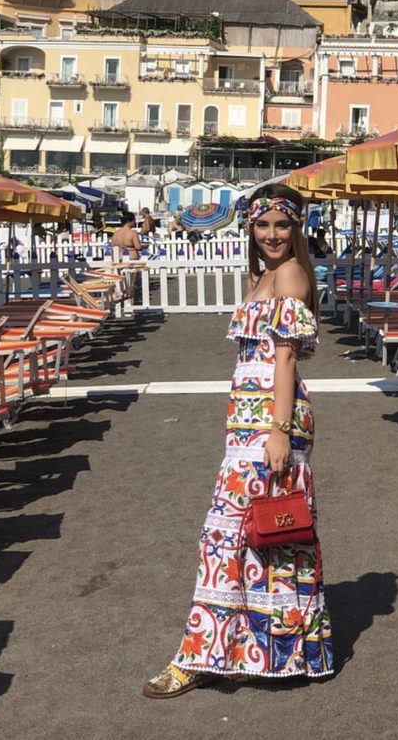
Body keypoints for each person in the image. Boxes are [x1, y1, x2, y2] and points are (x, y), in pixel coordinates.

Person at [143, 184, 334, 697]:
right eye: (263, 224)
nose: (272, 234)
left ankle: (198, 655)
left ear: (296, 228)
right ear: (250, 227)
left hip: (271, 420)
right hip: (248, 420)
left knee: (235, 534)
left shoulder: (289, 274)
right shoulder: (261, 276)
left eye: (282, 225)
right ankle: (255, 650)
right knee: (249, 536)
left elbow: (285, 358)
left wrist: (278, 431)